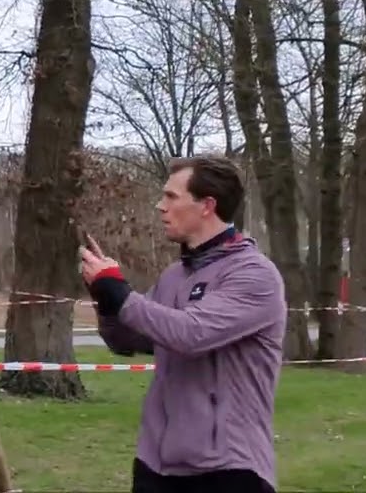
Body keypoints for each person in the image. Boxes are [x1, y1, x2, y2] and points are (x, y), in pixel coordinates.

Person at [78, 155, 286, 493]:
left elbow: (192, 334)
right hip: (156, 467)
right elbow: (128, 339)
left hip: (226, 470)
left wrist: (119, 292)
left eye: (171, 197)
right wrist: (105, 297)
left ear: (206, 205)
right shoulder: (174, 276)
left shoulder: (254, 274)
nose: (160, 207)